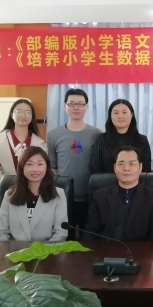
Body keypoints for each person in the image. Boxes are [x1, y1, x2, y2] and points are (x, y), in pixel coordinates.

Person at [87, 146, 153, 241]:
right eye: (121, 164)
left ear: (140, 167)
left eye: (132, 163)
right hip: (106, 249)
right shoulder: (100, 196)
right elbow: (90, 233)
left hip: (141, 250)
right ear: (115, 167)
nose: (126, 168)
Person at [47, 88, 101, 234]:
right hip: (63, 197)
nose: (76, 107)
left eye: (80, 104)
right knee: (64, 236)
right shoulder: (53, 135)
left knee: (89, 238)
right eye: (71, 104)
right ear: (65, 106)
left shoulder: (97, 134)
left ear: (86, 107)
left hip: (90, 196)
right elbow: (53, 168)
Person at [0, 99, 46, 231]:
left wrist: (31, 189)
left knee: (31, 229)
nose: (23, 115)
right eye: (19, 111)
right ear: (11, 114)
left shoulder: (40, 143)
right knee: (6, 229)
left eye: (28, 112)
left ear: (32, 117)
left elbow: (43, 170)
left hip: (32, 193)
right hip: (7, 192)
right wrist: (10, 189)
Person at [0, 146, 68, 242]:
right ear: (22, 168)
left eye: (40, 164)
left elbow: (60, 233)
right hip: (15, 250)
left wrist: (43, 250)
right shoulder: (9, 195)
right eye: (29, 164)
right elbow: (1, 232)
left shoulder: (58, 194)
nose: (35, 169)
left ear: (47, 167)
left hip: (46, 249)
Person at [90, 99, 151, 174]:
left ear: (132, 114)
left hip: (136, 181)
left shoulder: (142, 140)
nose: (120, 116)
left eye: (124, 112)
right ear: (110, 116)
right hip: (107, 181)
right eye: (116, 113)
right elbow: (95, 169)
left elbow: (146, 171)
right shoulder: (101, 139)